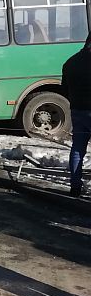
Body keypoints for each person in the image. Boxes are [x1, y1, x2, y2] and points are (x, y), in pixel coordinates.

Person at [62, 33, 91, 197]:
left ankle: (75, 187)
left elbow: (64, 89)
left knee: (77, 149)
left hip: (77, 111)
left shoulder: (70, 62)